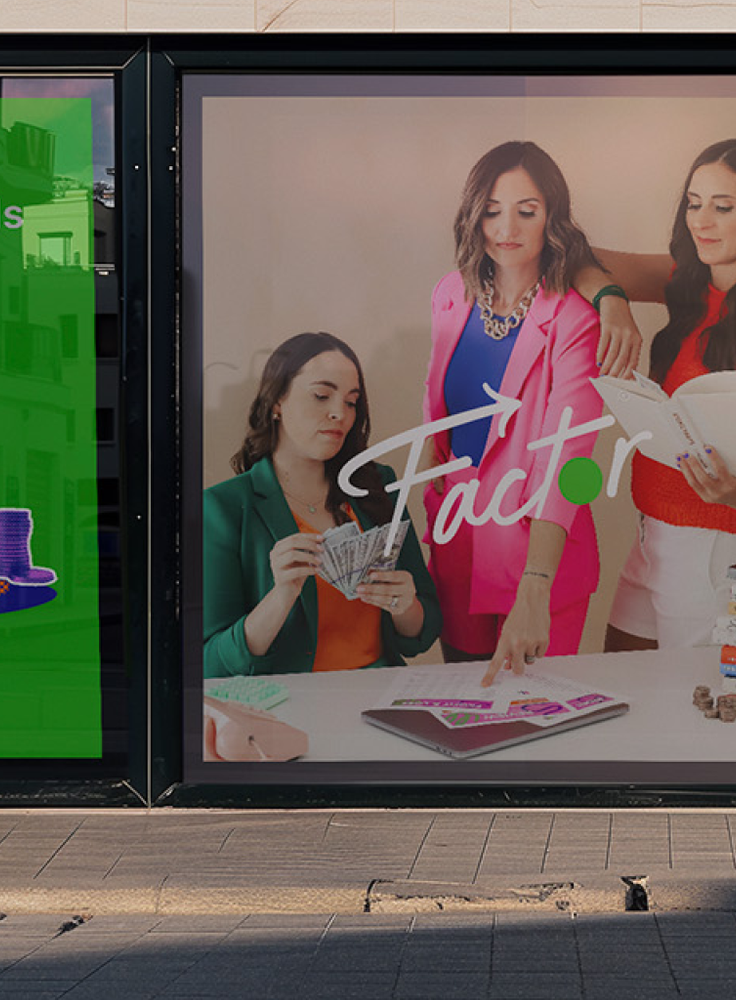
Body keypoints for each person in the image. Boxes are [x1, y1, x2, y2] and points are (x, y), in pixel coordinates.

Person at [585, 138, 736, 650]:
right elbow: (575, 258)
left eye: (722, 207)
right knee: (627, 686)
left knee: (697, 716)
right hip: (657, 534)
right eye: (693, 203)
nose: (700, 222)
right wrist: (612, 302)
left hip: (724, 551)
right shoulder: (689, 282)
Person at [423, 141, 607, 684]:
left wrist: (536, 585)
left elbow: (569, 463)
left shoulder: (575, 320)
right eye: (492, 210)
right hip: (458, 542)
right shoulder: (448, 296)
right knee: (466, 712)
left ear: (552, 218)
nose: (507, 227)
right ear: (473, 213)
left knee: (534, 724)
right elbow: (443, 425)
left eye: (527, 211)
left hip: (539, 555)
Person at [202, 332, 441, 679]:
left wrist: (405, 605)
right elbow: (211, 665)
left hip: (380, 697)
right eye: (321, 395)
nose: (338, 414)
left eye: (350, 402)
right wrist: (281, 595)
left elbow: (421, 635)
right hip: (286, 709)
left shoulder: (380, 487)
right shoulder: (224, 509)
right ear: (276, 402)